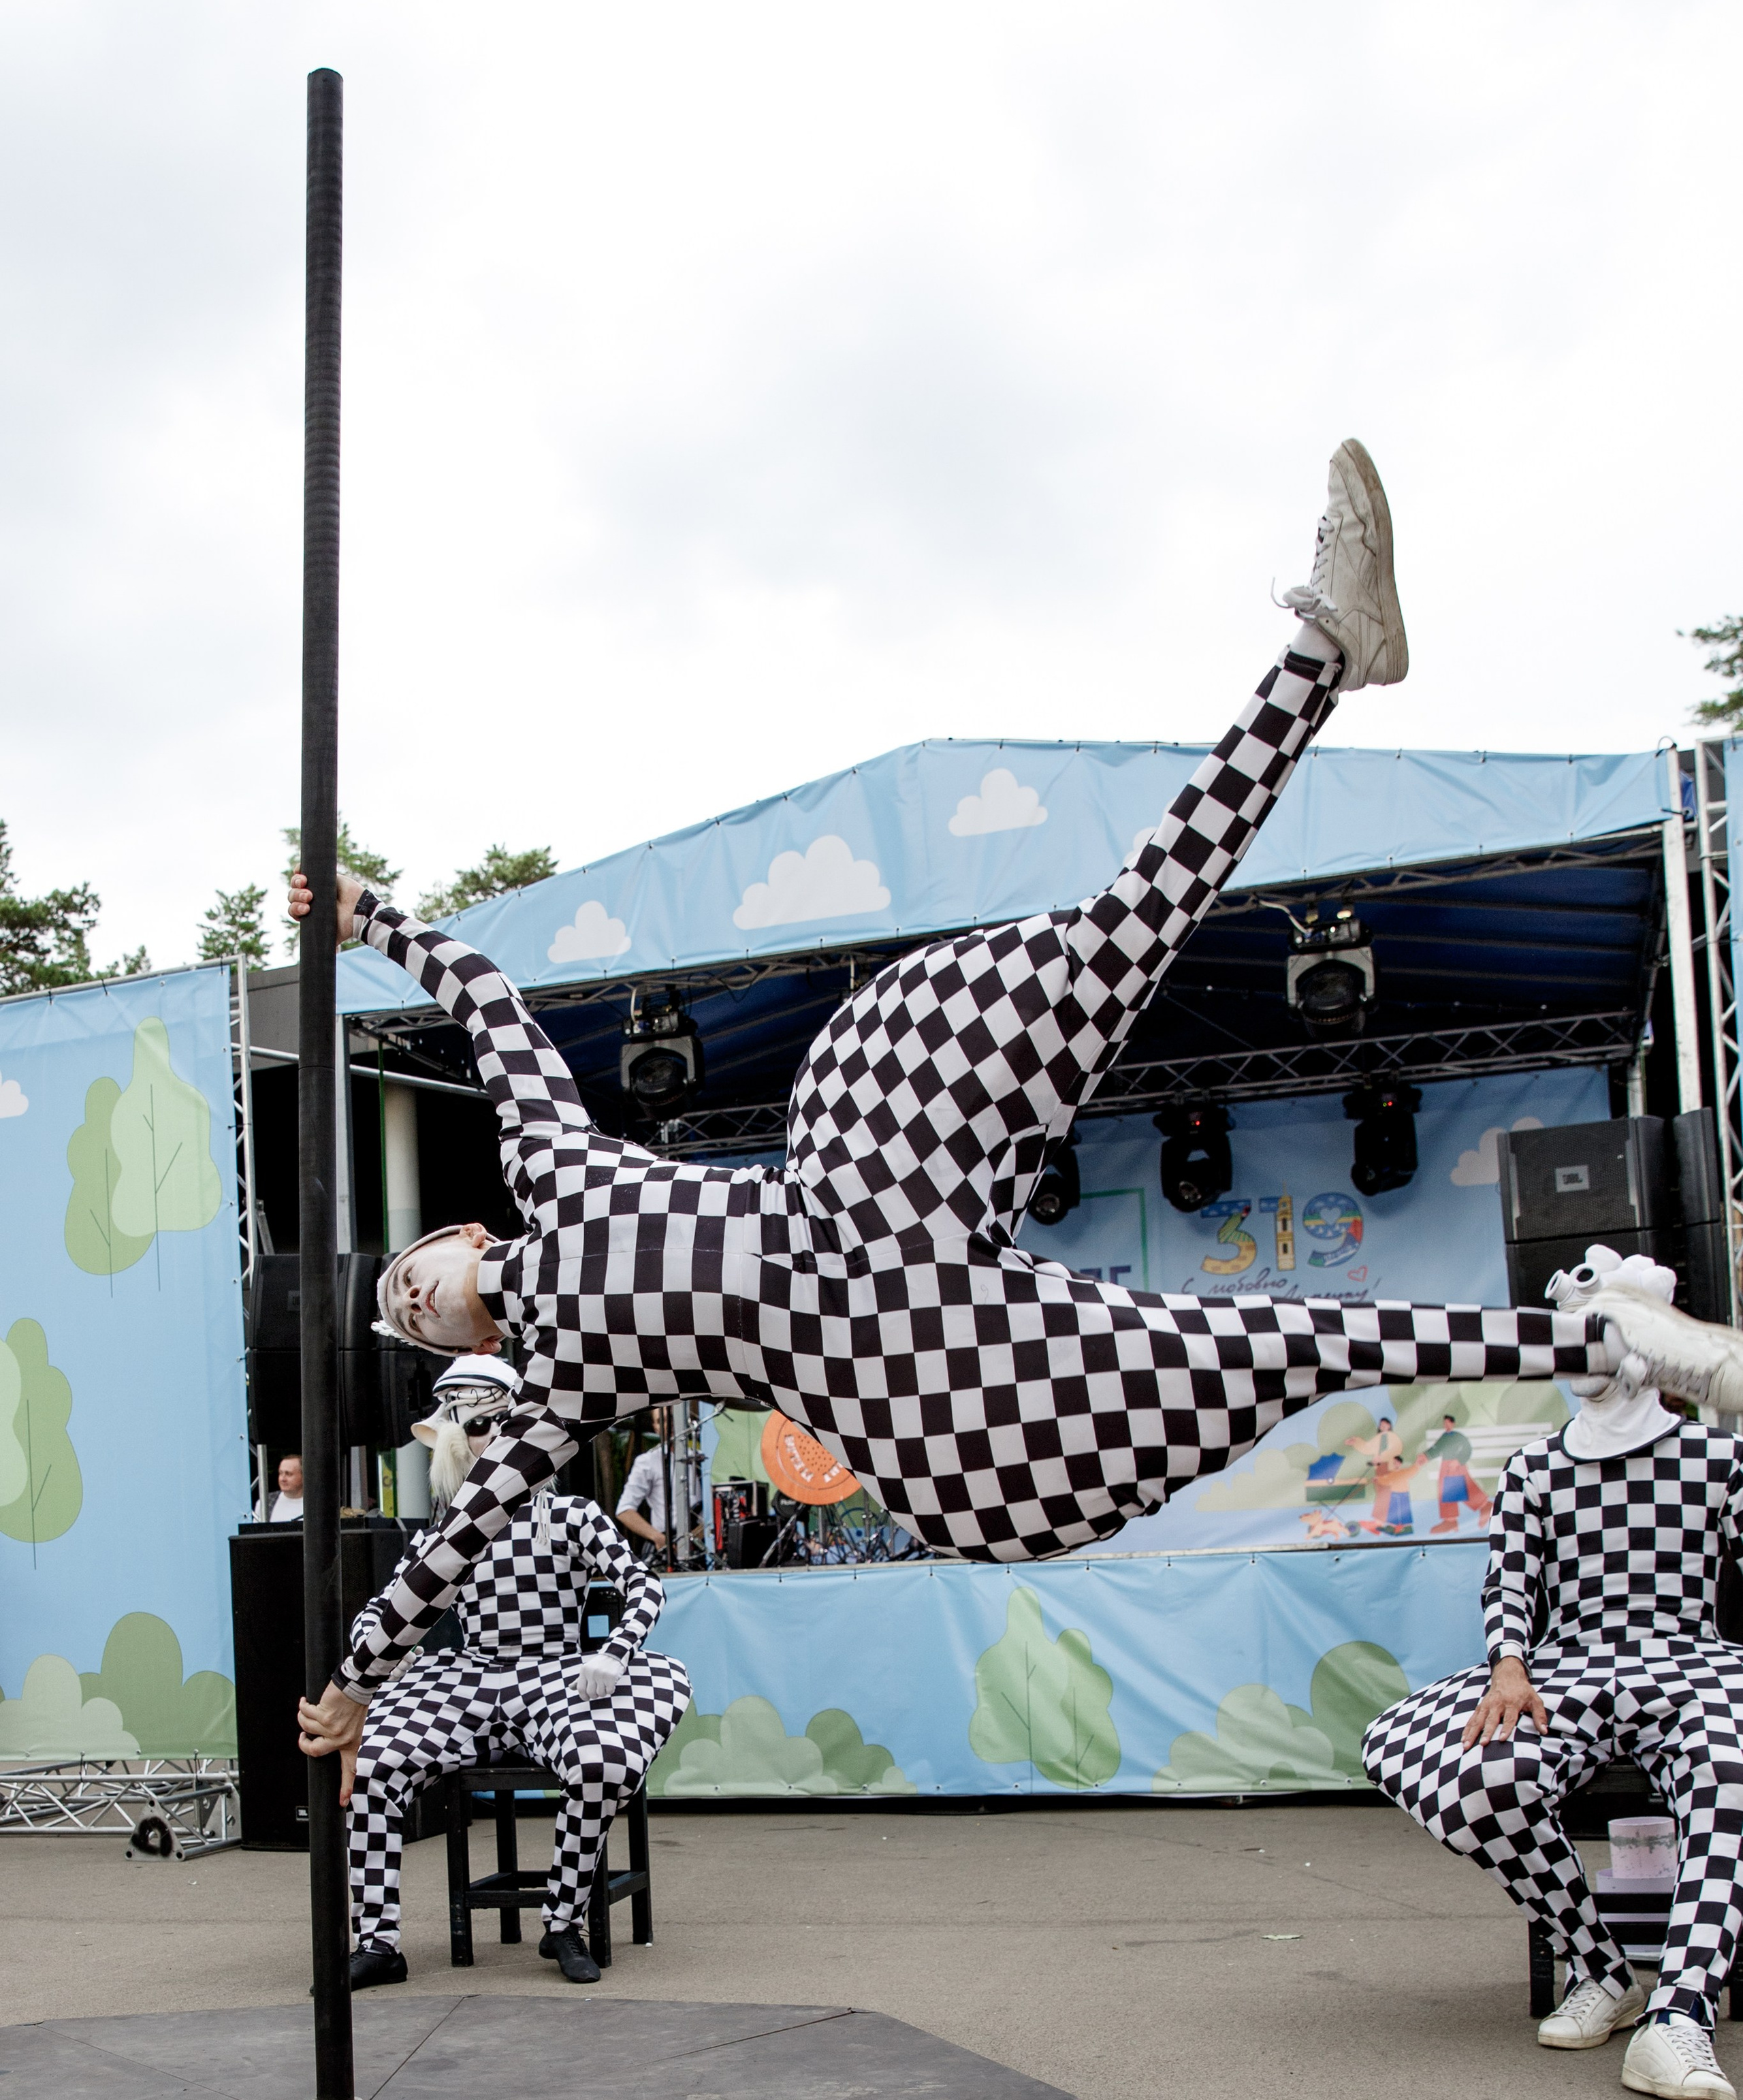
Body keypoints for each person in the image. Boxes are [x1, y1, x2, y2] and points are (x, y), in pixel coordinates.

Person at [293, 443, 1743, 1768]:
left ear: (465, 1235)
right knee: (1280, 1338)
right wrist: (358, 1670)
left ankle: (1316, 656)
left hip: (860, 1181)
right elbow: (449, 1548)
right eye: (409, 1321)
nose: (413, 1304)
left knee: (1107, 946)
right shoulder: (552, 1394)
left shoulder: (552, 1166)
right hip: (906, 1372)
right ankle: (1599, 1336)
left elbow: (486, 998)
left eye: (408, 1283)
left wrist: (372, 915)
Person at [1364, 1249, 1743, 2100]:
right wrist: (1507, 1663)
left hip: (1687, 1658)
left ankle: (1679, 2013)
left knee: (1727, 1768)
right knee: (1477, 1779)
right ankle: (1602, 1969)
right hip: (1567, 1667)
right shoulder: (1535, 1469)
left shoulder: (1716, 1458)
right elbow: (1510, 1581)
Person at [336, 1356, 688, 1987]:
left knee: (598, 1765)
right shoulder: (445, 1535)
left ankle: (562, 1922)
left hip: (555, 1675)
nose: (488, 1438)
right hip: (467, 1680)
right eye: (472, 1427)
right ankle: (378, 1940)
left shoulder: (570, 1515)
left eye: (499, 1423)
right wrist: (386, 1649)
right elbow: (382, 1610)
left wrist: (616, 1651)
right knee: (371, 1766)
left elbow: (643, 1584)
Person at [614, 1407, 701, 1565]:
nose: (670, 1425)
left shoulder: (698, 1457)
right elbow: (624, 1510)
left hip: (701, 1544)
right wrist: (658, 1538)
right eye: (663, 1420)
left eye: (674, 1418)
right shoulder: (648, 1461)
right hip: (669, 1545)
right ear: (656, 1427)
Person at [1429, 1411, 1492, 1535]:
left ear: (1453, 1423)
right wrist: (1425, 1456)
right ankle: (1450, 1520)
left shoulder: (1459, 1437)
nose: (1446, 1425)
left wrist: (1458, 1461)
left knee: (1463, 1487)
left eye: (1448, 1423)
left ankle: (1485, 1506)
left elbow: (1467, 1450)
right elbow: (1436, 1449)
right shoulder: (1444, 1437)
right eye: (1445, 1423)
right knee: (1446, 1490)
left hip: (1457, 1466)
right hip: (1446, 1466)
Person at [261, 1452, 303, 1523]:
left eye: (289, 1474)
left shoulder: (318, 1503)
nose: (283, 1479)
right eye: (281, 1473)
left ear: (303, 1476)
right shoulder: (266, 1502)